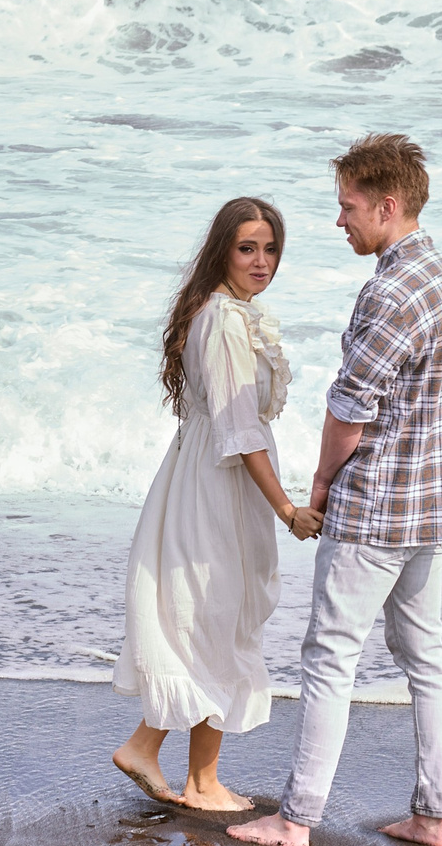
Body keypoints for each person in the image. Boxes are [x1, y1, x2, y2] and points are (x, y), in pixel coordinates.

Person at [230, 133, 442, 846]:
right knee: (425, 657)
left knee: (330, 658)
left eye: (348, 207)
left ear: (387, 205)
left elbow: (350, 408)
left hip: (377, 504)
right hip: (433, 505)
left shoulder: (391, 290)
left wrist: (318, 484)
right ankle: (433, 816)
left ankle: (295, 818)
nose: (338, 220)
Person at [111, 196, 319, 811]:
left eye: (271, 249)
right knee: (218, 617)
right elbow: (241, 431)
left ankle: (150, 751)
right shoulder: (225, 321)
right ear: (222, 251)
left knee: (212, 616)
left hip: (203, 475)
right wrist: (286, 509)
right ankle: (199, 781)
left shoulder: (219, 312)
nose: (261, 261)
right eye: (247, 248)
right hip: (219, 484)